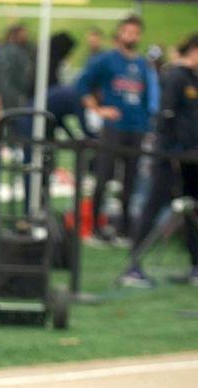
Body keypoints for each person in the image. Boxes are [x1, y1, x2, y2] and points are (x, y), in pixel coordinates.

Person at [120, 33, 198, 287]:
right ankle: (133, 267)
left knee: (192, 211)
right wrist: (171, 152)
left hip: (190, 158)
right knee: (153, 208)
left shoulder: (193, 79)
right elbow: (165, 118)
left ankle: (196, 267)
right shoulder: (175, 77)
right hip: (169, 158)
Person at [78, 15, 158, 243]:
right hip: (113, 128)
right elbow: (82, 85)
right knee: (103, 177)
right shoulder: (107, 60)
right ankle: (94, 228)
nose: (131, 36)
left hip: (137, 129)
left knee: (131, 182)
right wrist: (99, 109)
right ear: (120, 33)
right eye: (127, 31)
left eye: (135, 32)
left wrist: (146, 123)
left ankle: (124, 229)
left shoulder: (142, 64)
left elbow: (146, 98)